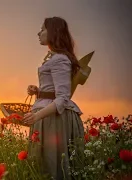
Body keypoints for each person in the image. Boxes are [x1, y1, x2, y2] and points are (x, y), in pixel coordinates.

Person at [22, 17, 85, 180]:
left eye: (42, 29)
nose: (39, 33)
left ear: (53, 32)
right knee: (45, 164)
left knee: (53, 164)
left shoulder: (60, 60)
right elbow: (54, 90)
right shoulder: (55, 58)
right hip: (48, 115)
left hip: (54, 118)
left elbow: (62, 98)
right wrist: (38, 91)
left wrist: (36, 115)